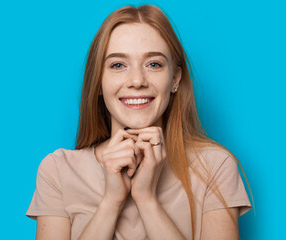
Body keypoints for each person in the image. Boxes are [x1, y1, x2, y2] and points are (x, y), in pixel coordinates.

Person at [25, 4, 253, 240]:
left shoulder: (215, 168)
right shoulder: (58, 171)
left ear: (175, 78)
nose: (136, 80)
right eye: (118, 65)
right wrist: (111, 202)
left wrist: (147, 200)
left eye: (153, 64)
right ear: (98, 81)